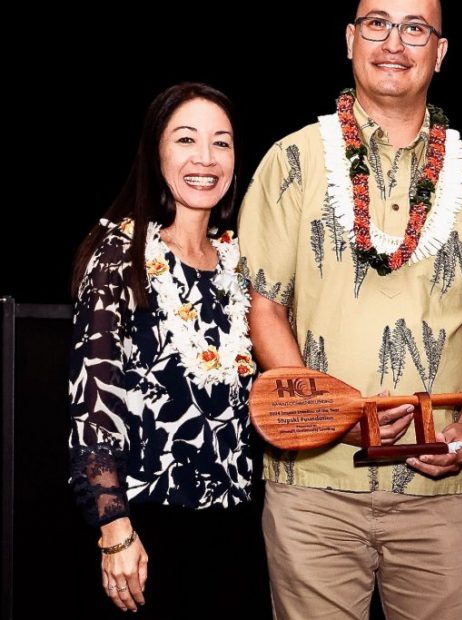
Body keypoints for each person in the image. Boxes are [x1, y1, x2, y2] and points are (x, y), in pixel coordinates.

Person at [236, 1, 462, 618]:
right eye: (377, 23)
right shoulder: (291, 162)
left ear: (440, 51)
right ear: (349, 39)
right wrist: (326, 412)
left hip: (439, 494)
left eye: (415, 28)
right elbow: (265, 307)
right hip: (311, 489)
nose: (394, 42)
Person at [69, 82, 265, 616]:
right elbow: (94, 403)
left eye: (221, 143)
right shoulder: (121, 251)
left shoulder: (239, 263)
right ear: (157, 153)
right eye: (186, 140)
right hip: (148, 533)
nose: (205, 159)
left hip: (238, 532)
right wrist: (114, 528)